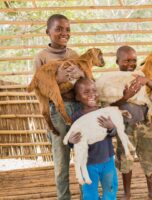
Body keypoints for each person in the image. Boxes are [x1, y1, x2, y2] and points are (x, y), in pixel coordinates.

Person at [33, 14, 84, 200]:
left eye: (67, 29)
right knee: (61, 161)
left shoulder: (74, 55)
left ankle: (86, 195)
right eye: (59, 29)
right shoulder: (41, 57)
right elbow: (38, 89)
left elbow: (86, 85)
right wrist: (58, 80)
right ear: (48, 32)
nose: (64, 33)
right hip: (57, 114)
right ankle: (64, 197)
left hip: (78, 112)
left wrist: (81, 75)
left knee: (82, 156)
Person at [111, 46, 152, 200]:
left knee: (150, 157)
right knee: (126, 160)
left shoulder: (139, 75)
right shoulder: (113, 79)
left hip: (144, 123)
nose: (131, 63)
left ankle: (151, 192)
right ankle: (127, 193)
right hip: (125, 126)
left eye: (134, 60)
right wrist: (125, 97)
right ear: (117, 61)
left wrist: (147, 81)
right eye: (126, 60)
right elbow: (109, 104)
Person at [68, 78, 118, 200]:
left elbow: (114, 133)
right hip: (88, 164)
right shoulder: (76, 117)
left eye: (94, 90)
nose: (91, 94)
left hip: (108, 161)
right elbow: (73, 142)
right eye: (86, 92)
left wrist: (111, 127)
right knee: (90, 194)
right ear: (77, 97)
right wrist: (71, 141)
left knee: (110, 189)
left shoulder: (104, 112)